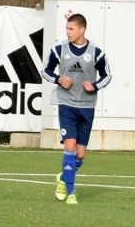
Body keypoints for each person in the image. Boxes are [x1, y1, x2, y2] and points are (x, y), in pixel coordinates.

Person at [42, 13, 111, 205]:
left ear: (82, 29)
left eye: (71, 29)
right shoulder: (59, 49)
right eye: (67, 28)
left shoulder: (96, 52)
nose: (68, 32)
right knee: (70, 147)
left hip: (87, 106)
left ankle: (64, 177)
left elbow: (107, 76)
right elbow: (45, 71)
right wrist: (58, 79)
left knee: (80, 155)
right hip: (66, 104)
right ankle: (70, 192)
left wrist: (95, 86)